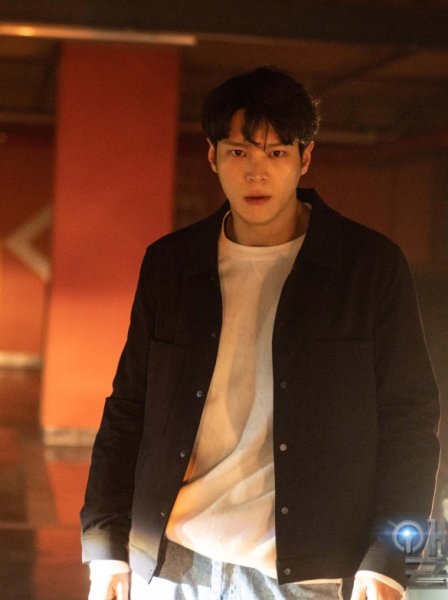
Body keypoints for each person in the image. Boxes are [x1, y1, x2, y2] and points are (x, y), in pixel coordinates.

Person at [80, 66, 440, 600]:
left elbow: (409, 420)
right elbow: (128, 408)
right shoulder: (171, 265)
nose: (257, 172)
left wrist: (390, 560)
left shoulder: (368, 267)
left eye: (276, 153)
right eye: (239, 152)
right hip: (172, 565)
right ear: (212, 156)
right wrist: (104, 545)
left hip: (307, 577)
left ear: (305, 158)